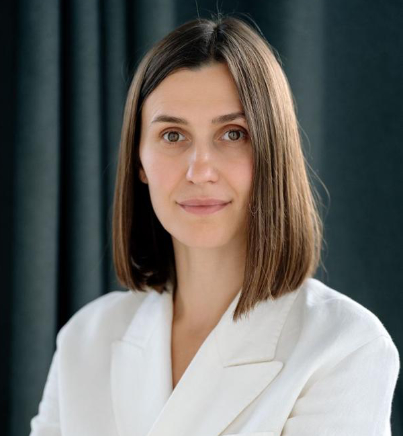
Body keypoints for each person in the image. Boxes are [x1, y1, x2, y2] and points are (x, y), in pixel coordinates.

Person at [30, 14, 400, 436]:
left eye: (233, 134)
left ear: (273, 153)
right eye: (173, 136)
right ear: (139, 161)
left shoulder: (344, 346)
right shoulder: (84, 339)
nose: (200, 171)